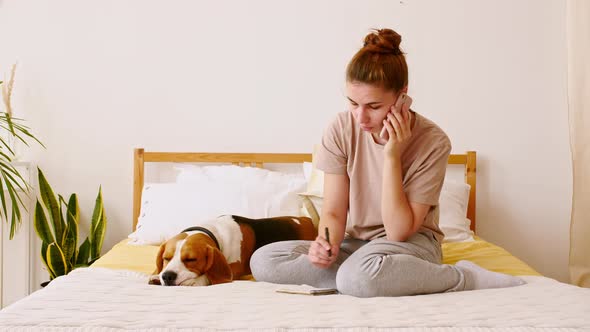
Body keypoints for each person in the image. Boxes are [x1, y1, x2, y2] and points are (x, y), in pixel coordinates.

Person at [250, 28, 525, 297]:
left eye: (373, 106)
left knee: (359, 275)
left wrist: (392, 154)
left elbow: (398, 230)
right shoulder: (340, 128)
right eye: (352, 103)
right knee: (263, 260)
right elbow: (333, 212)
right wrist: (325, 242)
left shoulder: (433, 141)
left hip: (410, 245)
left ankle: (464, 277)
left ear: (402, 94)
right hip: (355, 244)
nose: (360, 117)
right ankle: (367, 276)